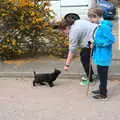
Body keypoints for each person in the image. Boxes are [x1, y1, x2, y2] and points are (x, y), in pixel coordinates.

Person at [88, 7, 115, 99]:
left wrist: (97, 43)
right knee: (100, 74)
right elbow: (100, 39)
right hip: (100, 55)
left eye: (91, 18)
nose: (90, 20)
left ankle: (103, 95)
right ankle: (101, 89)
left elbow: (111, 40)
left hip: (104, 56)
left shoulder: (104, 27)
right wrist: (94, 43)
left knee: (103, 76)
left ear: (96, 16)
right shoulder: (100, 25)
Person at [63, 14, 98, 86]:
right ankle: (91, 74)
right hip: (94, 35)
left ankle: (90, 79)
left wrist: (67, 65)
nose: (63, 33)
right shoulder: (77, 22)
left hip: (94, 39)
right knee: (84, 55)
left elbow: (72, 50)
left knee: (84, 58)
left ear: (67, 27)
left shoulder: (73, 32)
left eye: (63, 31)